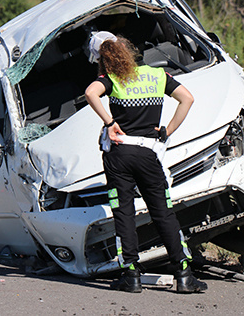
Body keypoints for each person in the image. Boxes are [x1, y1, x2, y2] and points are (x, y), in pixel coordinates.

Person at [84, 32, 207, 293]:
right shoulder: (157, 75)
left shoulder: (110, 79)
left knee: (124, 214)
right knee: (163, 212)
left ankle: (131, 275)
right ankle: (184, 274)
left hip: (119, 155)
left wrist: (109, 122)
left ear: (102, 59)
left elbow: (90, 93)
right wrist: (167, 130)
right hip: (149, 153)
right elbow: (188, 99)